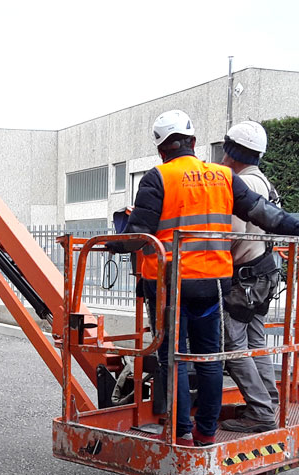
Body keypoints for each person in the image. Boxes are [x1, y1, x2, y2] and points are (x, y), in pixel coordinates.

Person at [107, 110, 299, 446]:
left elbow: (139, 234)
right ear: (193, 142)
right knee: (210, 358)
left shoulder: (158, 178)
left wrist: (113, 242)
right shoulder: (223, 177)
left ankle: (180, 430)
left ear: (161, 148)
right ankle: (206, 432)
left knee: (175, 357)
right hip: (213, 286)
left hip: (169, 287)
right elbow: (268, 216)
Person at [218, 121, 281, 433]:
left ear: (231, 151)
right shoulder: (264, 182)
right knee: (255, 340)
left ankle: (260, 412)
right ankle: (268, 400)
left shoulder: (242, 184)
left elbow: (232, 234)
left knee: (233, 343)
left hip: (244, 278)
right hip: (264, 272)